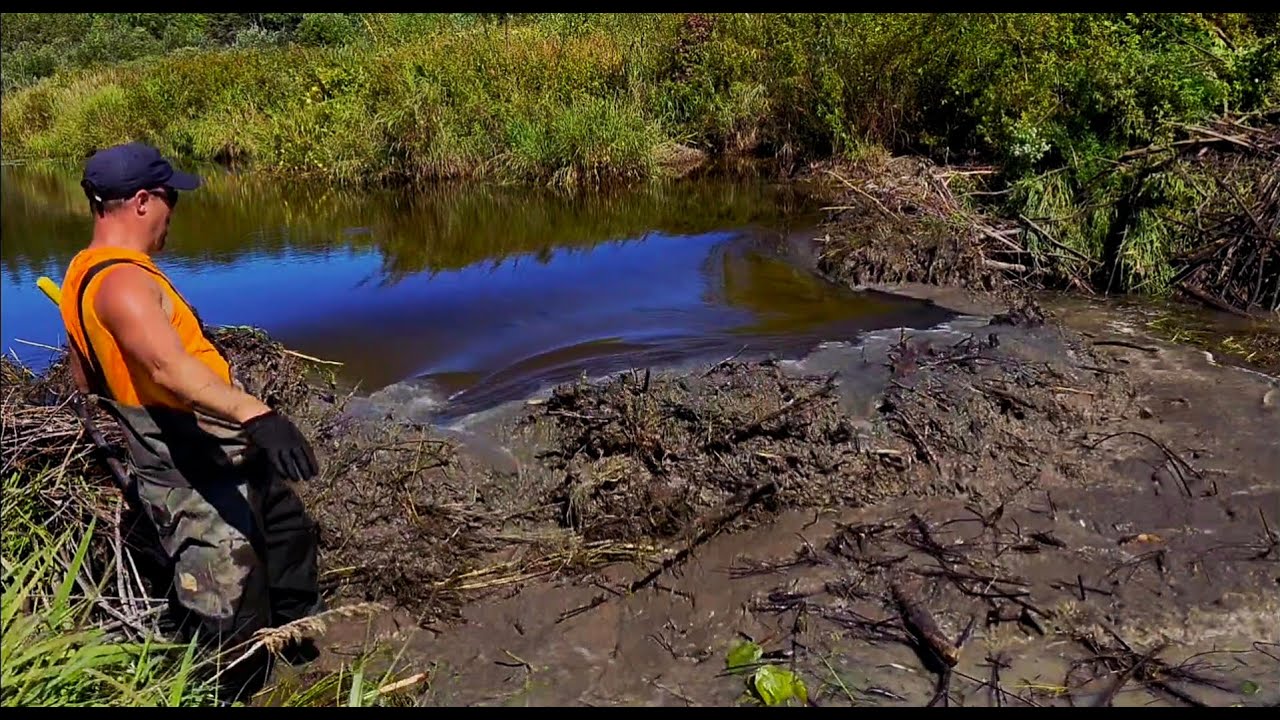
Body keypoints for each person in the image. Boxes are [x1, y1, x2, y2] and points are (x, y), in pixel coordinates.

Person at [58, 142, 323, 701]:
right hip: (187, 459)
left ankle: (298, 640)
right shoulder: (122, 283)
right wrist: (259, 413)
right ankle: (245, 686)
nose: (173, 212)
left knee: (285, 530)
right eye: (169, 198)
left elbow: (84, 376)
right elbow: (166, 366)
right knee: (227, 598)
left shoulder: (83, 271)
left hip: (217, 444)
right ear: (141, 202)